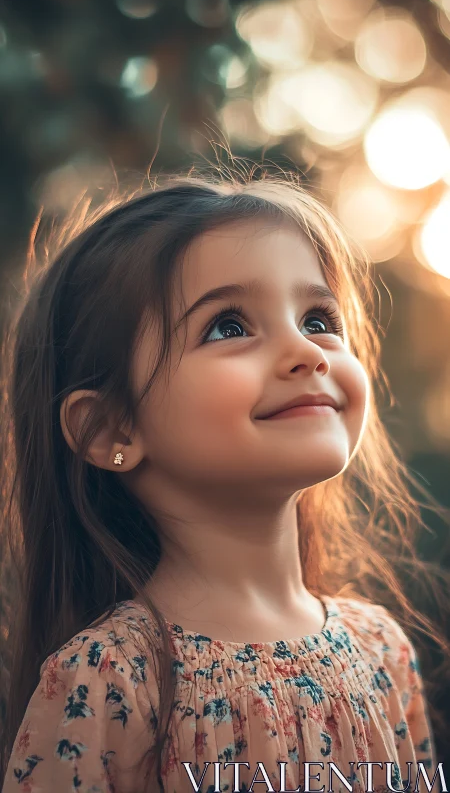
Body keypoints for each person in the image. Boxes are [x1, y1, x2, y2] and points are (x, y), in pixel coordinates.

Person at [0, 171, 447, 793]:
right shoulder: (109, 682)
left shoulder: (383, 652)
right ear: (109, 429)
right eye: (229, 327)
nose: (309, 351)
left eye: (319, 317)